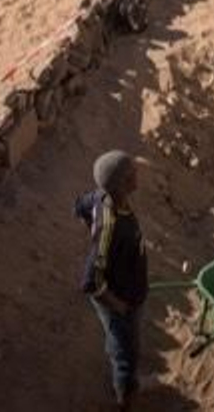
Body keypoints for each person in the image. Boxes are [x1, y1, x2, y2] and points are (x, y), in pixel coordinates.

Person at [76, 151, 149, 410]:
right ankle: (126, 400)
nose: (138, 172)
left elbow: (80, 205)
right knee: (126, 354)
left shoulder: (103, 197)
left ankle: (123, 369)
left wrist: (92, 228)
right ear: (121, 184)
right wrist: (117, 305)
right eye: (133, 172)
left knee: (122, 340)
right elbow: (89, 281)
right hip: (121, 300)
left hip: (127, 290)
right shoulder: (111, 225)